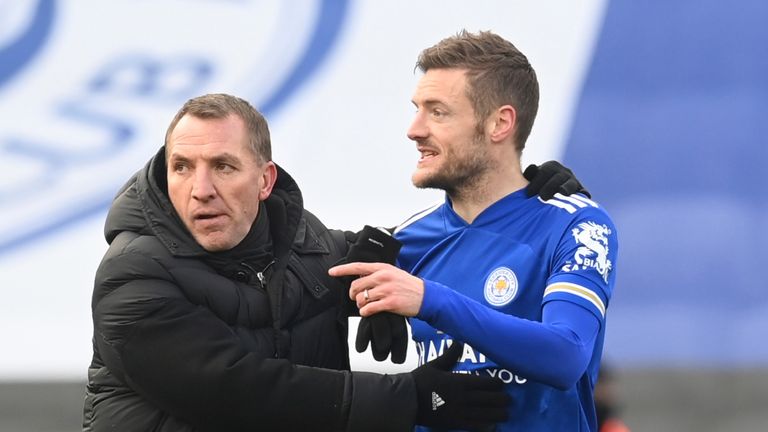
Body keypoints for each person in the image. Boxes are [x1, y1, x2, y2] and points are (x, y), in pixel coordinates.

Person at [82, 93, 517, 432]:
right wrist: (408, 398)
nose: (201, 189)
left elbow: (434, 250)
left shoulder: (304, 245)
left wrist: (528, 201)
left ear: (265, 180)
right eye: (182, 167)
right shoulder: (131, 274)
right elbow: (236, 390)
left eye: (223, 166)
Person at [330, 30, 619, 431]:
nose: (414, 129)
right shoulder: (399, 246)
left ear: (500, 123)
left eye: (438, 111)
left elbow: (567, 355)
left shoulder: (576, 225)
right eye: (416, 108)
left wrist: (429, 299)